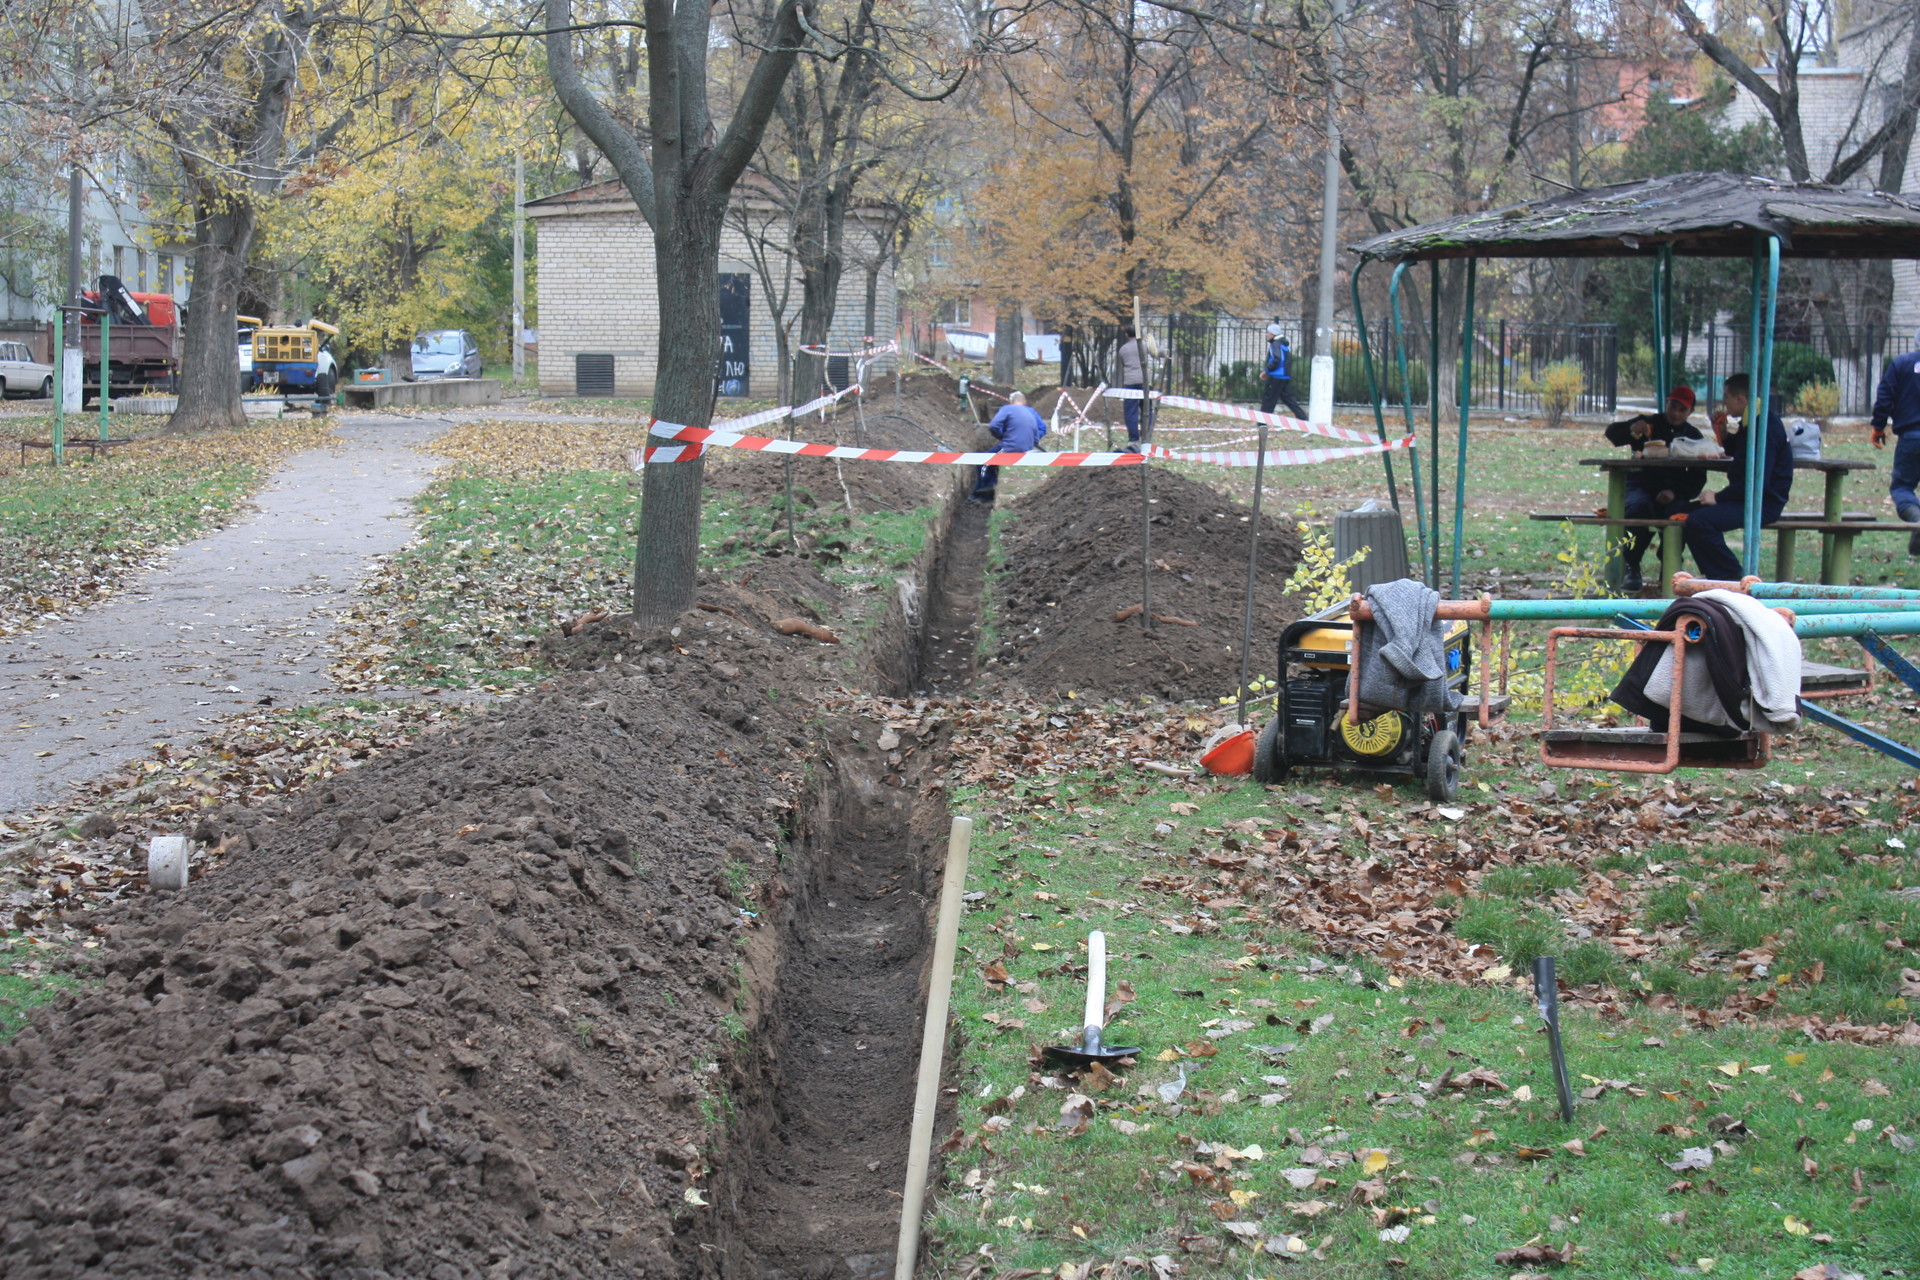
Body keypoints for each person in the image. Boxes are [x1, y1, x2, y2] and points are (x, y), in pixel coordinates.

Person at [1675, 372, 1793, 582]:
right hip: (1748, 497)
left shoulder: (1763, 427)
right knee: (1682, 511)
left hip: (1762, 503)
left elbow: (1758, 482)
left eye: (1727, 397)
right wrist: (1724, 433)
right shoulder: (1752, 420)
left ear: (1740, 399)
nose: (1724, 403)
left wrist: (1718, 498)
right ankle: (1706, 574)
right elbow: (1740, 451)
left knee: (1700, 522)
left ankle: (1731, 577)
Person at [1601, 384, 1708, 592]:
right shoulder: (1647, 423)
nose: (1676, 413)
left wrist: (1676, 492)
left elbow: (1697, 479)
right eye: (1673, 406)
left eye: (1682, 409)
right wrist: (1632, 430)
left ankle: (1670, 567)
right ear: (1666, 404)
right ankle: (1632, 564)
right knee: (1638, 509)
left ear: (1690, 412)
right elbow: (1612, 434)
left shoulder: (1693, 436)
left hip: (1673, 491)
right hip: (1640, 486)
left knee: (1681, 513)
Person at [1869, 327, 1920, 555]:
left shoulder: (1901, 364)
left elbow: (1885, 396)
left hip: (1911, 437)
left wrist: (1878, 426)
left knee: (1902, 487)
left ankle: (1917, 518)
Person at [971, 390, 1046, 502]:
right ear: (1024, 402)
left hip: (1011, 446)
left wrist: (1002, 436)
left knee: (983, 461)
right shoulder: (1031, 412)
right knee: (994, 457)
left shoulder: (1007, 409)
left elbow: (994, 426)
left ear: (1011, 401)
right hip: (1027, 447)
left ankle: (983, 492)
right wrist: (1030, 441)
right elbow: (1042, 429)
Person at [1260, 325, 1306, 418]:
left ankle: (1262, 422)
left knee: (1269, 398)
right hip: (1285, 376)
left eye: (1268, 332)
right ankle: (1303, 418)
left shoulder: (1275, 344)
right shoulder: (1283, 344)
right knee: (1288, 398)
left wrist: (1267, 371)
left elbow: (1277, 359)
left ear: (1273, 334)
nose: (1266, 334)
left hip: (1276, 376)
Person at [1117, 328, 1147, 449]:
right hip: (1144, 381)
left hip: (1130, 382)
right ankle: (1146, 435)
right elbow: (1157, 352)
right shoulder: (1145, 345)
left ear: (1126, 334)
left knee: (1130, 411)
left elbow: (1123, 363)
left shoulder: (1123, 349)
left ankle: (1133, 438)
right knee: (1147, 410)